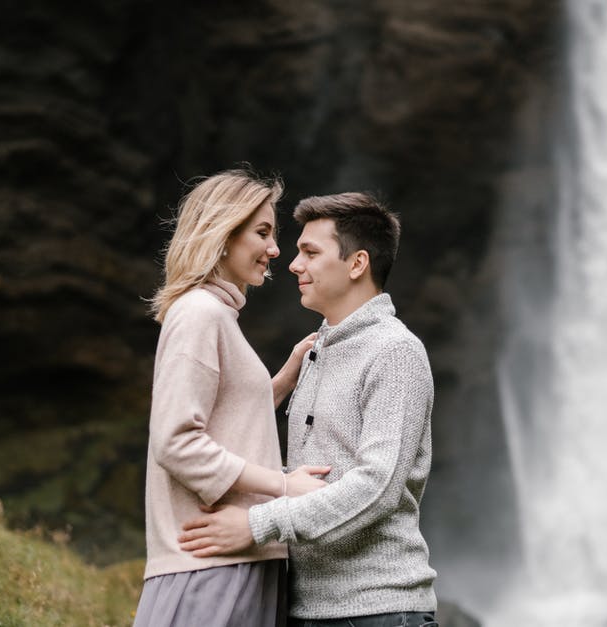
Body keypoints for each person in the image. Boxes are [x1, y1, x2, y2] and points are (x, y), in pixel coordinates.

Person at [178, 192, 440, 627]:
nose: (294, 265)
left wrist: (256, 525)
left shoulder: (395, 351)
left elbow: (377, 486)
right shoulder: (318, 349)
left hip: (380, 611)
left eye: (310, 253)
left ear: (357, 264)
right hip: (307, 609)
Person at [134, 170, 332, 627]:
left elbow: (230, 416)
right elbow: (176, 442)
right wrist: (285, 487)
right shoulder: (199, 313)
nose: (276, 250)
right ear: (222, 233)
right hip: (208, 567)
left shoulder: (218, 315)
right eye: (262, 232)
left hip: (236, 559)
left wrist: (284, 376)